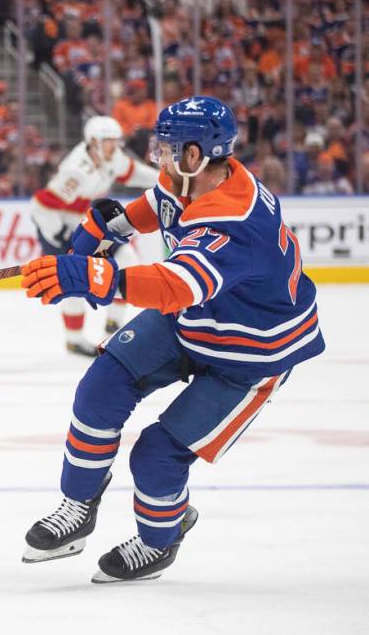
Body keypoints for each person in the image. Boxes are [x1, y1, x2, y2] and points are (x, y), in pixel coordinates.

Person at [18, 96, 324, 583]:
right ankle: (79, 506)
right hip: (198, 319)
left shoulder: (234, 220)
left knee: (157, 455)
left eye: (168, 149)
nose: (159, 158)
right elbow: (155, 206)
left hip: (250, 353)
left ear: (197, 154)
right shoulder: (192, 178)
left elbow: (173, 286)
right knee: (99, 389)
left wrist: (96, 277)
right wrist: (106, 224)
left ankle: (160, 540)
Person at [28, 116, 158, 357]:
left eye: (116, 141)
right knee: (70, 281)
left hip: (83, 225)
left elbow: (132, 172)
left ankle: (114, 324)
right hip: (57, 228)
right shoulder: (76, 170)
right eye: (109, 141)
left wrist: (164, 180)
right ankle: (74, 340)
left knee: (127, 256)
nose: (115, 146)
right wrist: (58, 236)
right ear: (94, 142)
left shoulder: (111, 158)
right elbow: (40, 207)